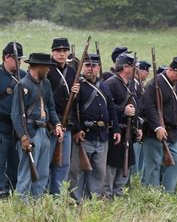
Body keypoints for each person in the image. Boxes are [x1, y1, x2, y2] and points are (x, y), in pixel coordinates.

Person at [11, 53, 63, 198]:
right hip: (30, 133)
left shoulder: (45, 83)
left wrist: (57, 124)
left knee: (42, 173)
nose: (49, 70)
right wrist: (23, 137)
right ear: (39, 67)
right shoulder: (22, 85)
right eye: (47, 67)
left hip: (44, 132)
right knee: (26, 173)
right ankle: (22, 206)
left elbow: (51, 107)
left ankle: (37, 205)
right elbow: (16, 115)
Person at [69, 54, 121, 201]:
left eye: (93, 66)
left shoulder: (104, 86)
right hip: (84, 134)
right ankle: (76, 200)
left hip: (102, 134)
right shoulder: (77, 86)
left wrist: (116, 129)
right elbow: (71, 110)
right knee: (77, 171)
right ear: (82, 68)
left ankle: (94, 201)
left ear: (98, 68)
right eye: (87, 66)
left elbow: (111, 108)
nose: (90, 69)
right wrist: (77, 129)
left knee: (98, 171)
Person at [141, 57, 177, 192]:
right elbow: (149, 107)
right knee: (154, 165)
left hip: (173, 132)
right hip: (154, 132)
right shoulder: (154, 84)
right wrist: (157, 127)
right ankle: (152, 195)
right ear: (170, 70)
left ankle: (167, 192)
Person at [104, 53, 141, 197]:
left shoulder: (130, 84)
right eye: (133, 67)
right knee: (112, 166)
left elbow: (136, 108)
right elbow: (107, 108)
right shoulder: (111, 84)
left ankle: (117, 195)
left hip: (128, 131)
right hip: (116, 131)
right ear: (126, 67)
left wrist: (138, 127)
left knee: (124, 167)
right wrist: (123, 110)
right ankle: (107, 196)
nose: (135, 70)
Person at [47, 37, 80, 194]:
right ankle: (44, 195)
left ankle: (57, 196)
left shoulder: (72, 71)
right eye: (58, 51)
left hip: (67, 123)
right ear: (52, 52)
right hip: (50, 123)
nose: (62, 54)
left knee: (63, 164)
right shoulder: (47, 69)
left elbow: (75, 102)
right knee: (47, 163)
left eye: (64, 51)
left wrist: (76, 93)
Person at [0, 42, 26, 195]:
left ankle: (12, 191)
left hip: (17, 129)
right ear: (7, 57)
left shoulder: (23, 76)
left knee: (15, 163)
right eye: (17, 58)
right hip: (1, 125)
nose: (19, 62)